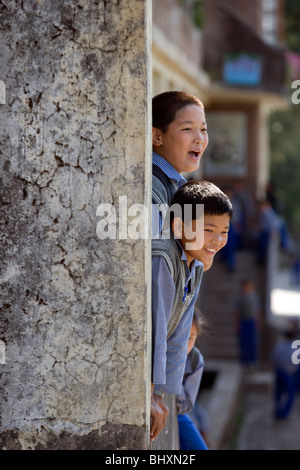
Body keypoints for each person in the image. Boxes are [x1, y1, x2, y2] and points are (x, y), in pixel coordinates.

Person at [150, 180, 233, 441]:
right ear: (178, 226)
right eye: (208, 229)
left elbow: (179, 336)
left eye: (224, 231)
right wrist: (150, 393)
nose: (217, 240)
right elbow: (156, 331)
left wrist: (162, 393)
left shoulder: (196, 265)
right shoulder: (163, 260)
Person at [152, 91, 209, 237]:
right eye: (187, 129)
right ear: (157, 136)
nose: (200, 139)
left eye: (203, 129)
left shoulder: (174, 184)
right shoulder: (149, 189)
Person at [176, 308, 209, 450]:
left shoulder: (196, 361)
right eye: (182, 336)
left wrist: (175, 374)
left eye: (191, 338)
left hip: (178, 415)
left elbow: (186, 406)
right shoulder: (162, 353)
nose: (185, 344)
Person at [271, 328, 299, 419]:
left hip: (279, 371)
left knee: (278, 393)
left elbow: (273, 357)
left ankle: (277, 410)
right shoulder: (295, 348)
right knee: (290, 395)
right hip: (288, 373)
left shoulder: (279, 345)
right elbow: (295, 362)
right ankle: (283, 414)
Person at [234, 279, 262, 368]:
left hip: (252, 321)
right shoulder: (239, 297)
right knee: (243, 342)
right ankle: (243, 361)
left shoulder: (255, 296)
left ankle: (252, 360)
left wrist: (259, 322)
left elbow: (258, 311)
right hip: (243, 320)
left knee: (252, 342)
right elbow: (236, 312)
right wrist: (237, 323)